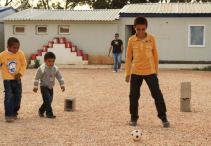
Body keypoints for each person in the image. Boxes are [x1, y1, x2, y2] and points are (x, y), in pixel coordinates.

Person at [125, 16, 170, 128]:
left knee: (157, 95)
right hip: (136, 72)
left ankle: (163, 118)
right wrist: (127, 73)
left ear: (146, 28)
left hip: (150, 72)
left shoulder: (151, 39)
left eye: (143, 29)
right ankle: (133, 118)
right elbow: (128, 57)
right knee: (133, 96)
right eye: (138, 29)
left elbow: (155, 55)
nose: (141, 31)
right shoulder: (131, 40)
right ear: (134, 28)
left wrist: (156, 71)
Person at [0, 37, 27, 122]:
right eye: (14, 47)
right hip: (7, 79)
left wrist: (20, 73)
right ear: (8, 47)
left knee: (18, 96)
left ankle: (14, 112)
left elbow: (24, 64)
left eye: (18, 47)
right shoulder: (2, 55)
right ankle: (8, 115)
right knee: (9, 96)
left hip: (17, 79)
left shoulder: (20, 53)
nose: (16, 49)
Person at [33, 52, 65, 119]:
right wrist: (35, 87)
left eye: (53, 61)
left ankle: (41, 110)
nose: (51, 63)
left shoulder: (55, 68)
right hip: (43, 87)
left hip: (51, 87)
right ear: (45, 61)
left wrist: (62, 85)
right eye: (49, 61)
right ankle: (49, 113)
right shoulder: (41, 68)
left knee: (49, 101)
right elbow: (36, 77)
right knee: (47, 99)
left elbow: (59, 77)